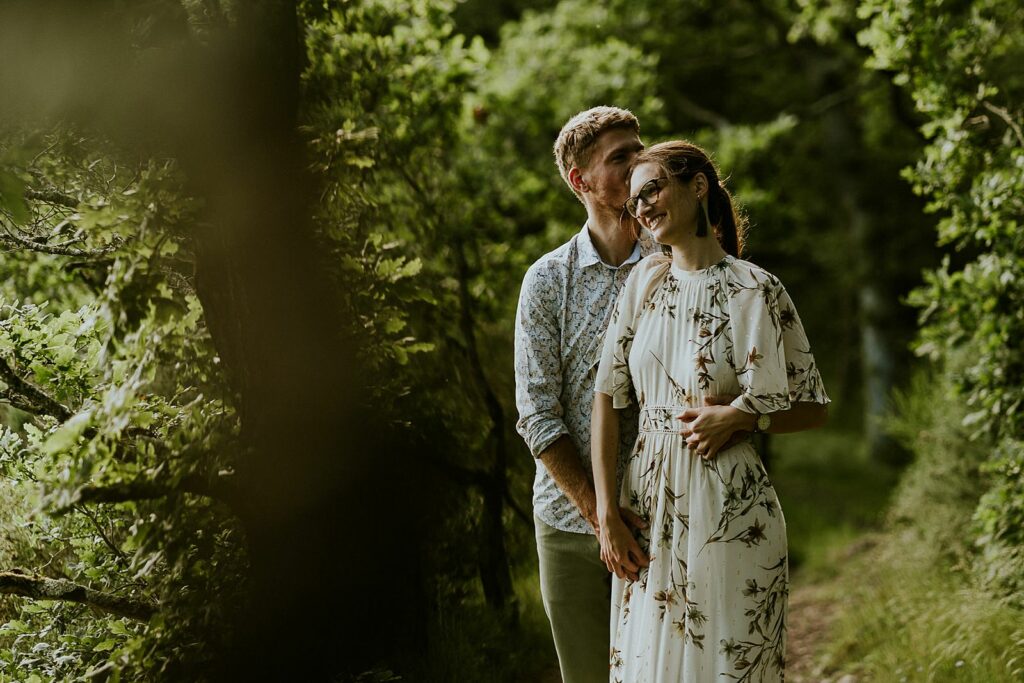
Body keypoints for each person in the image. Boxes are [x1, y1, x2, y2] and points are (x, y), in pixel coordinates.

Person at [591, 140, 830, 682]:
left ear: (697, 185)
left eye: (651, 189)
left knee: (725, 663)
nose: (643, 207)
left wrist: (747, 418)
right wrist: (607, 512)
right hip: (647, 503)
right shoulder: (642, 284)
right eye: (634, 201)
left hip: (731, 507)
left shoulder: (757, 289)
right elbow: (605, 395)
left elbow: (813, 408)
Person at [513, 106, 656, 683]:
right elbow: (538, 417)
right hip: (570, 527)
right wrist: (601, 518)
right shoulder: (548, 281)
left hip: (663, 513)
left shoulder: (674, 263)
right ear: (581, 182)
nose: (638, 165)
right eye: (619, 157)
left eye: (638, 150)